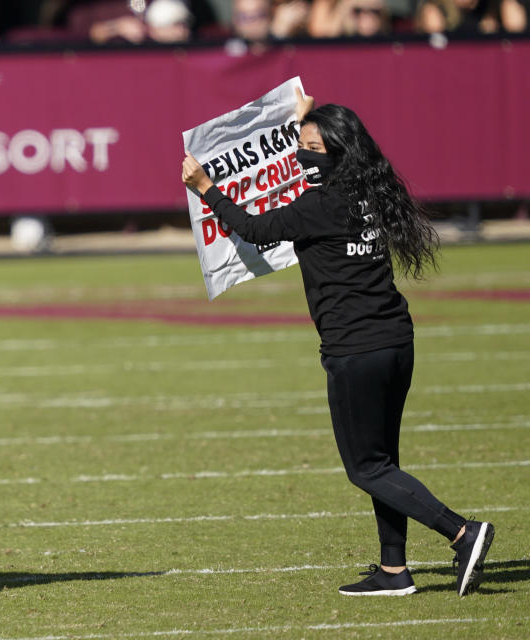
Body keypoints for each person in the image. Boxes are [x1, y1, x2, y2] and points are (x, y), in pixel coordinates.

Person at [180, 90, 495, 597]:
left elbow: (254, 229)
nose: (301, 153)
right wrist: (303, 121)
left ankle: (462, 532)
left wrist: (206, 188)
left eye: (310, 147)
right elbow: (311, 165)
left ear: (333, 154)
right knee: (384, 464)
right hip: (396, 341)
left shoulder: (318, 205)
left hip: (356, 350)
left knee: (366, 468)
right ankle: (394, 571)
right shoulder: (366, 188)